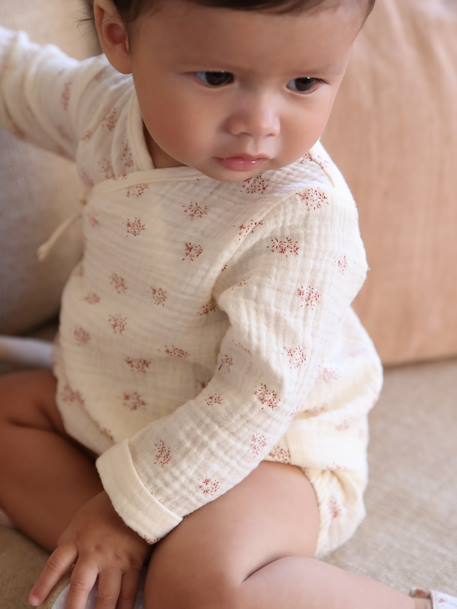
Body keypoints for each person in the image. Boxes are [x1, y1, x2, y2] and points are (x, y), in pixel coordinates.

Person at [0, 1, 454, 608]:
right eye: (217, 78)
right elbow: (20, 79)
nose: (259, 124)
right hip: (116, 402)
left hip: (269, 449)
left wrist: (127, 509)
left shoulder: (302, 213)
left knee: (199, 581)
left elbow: (253, 400)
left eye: (304, 83)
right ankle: (117, 558)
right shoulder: (104, 109)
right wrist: (124, 511)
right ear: (119, 38)